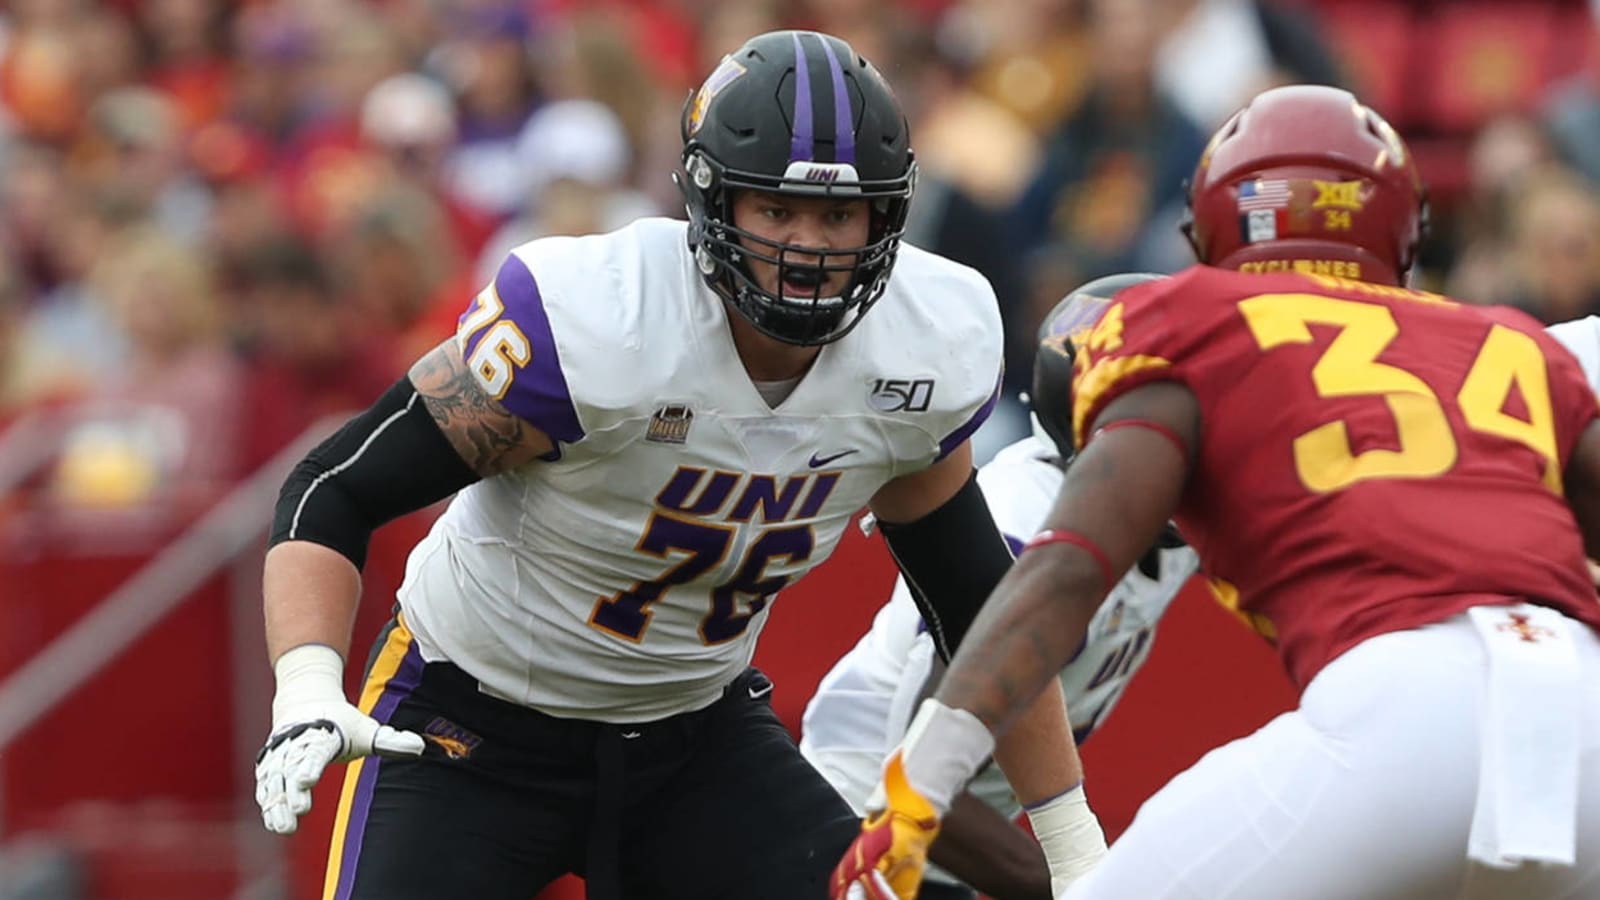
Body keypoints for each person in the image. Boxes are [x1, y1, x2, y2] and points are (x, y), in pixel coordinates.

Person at [250, 30, 1089, 900]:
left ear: (885, 217)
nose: (809, 249)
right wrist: (307, 682)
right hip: (470, 726)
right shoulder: (595, 322)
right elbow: (335, 485)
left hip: (693, 740)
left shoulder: (920, 348)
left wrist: (1073, 849)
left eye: (838, 215)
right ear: (712, 203)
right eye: (777, 210)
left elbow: (980, 607)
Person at [834, 84, 1600, 899]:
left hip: (1401, 710)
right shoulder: (1506, 340)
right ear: (1405, 228)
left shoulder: (1199, 319)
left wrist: (920, 789)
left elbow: (1071, 567)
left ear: (1214, 225)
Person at [801, 273, 1199, 900]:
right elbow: (925, 781)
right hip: (853, 829)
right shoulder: (1031, 523)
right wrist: (1077, 881)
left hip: (938, 848)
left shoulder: (1161, 526)